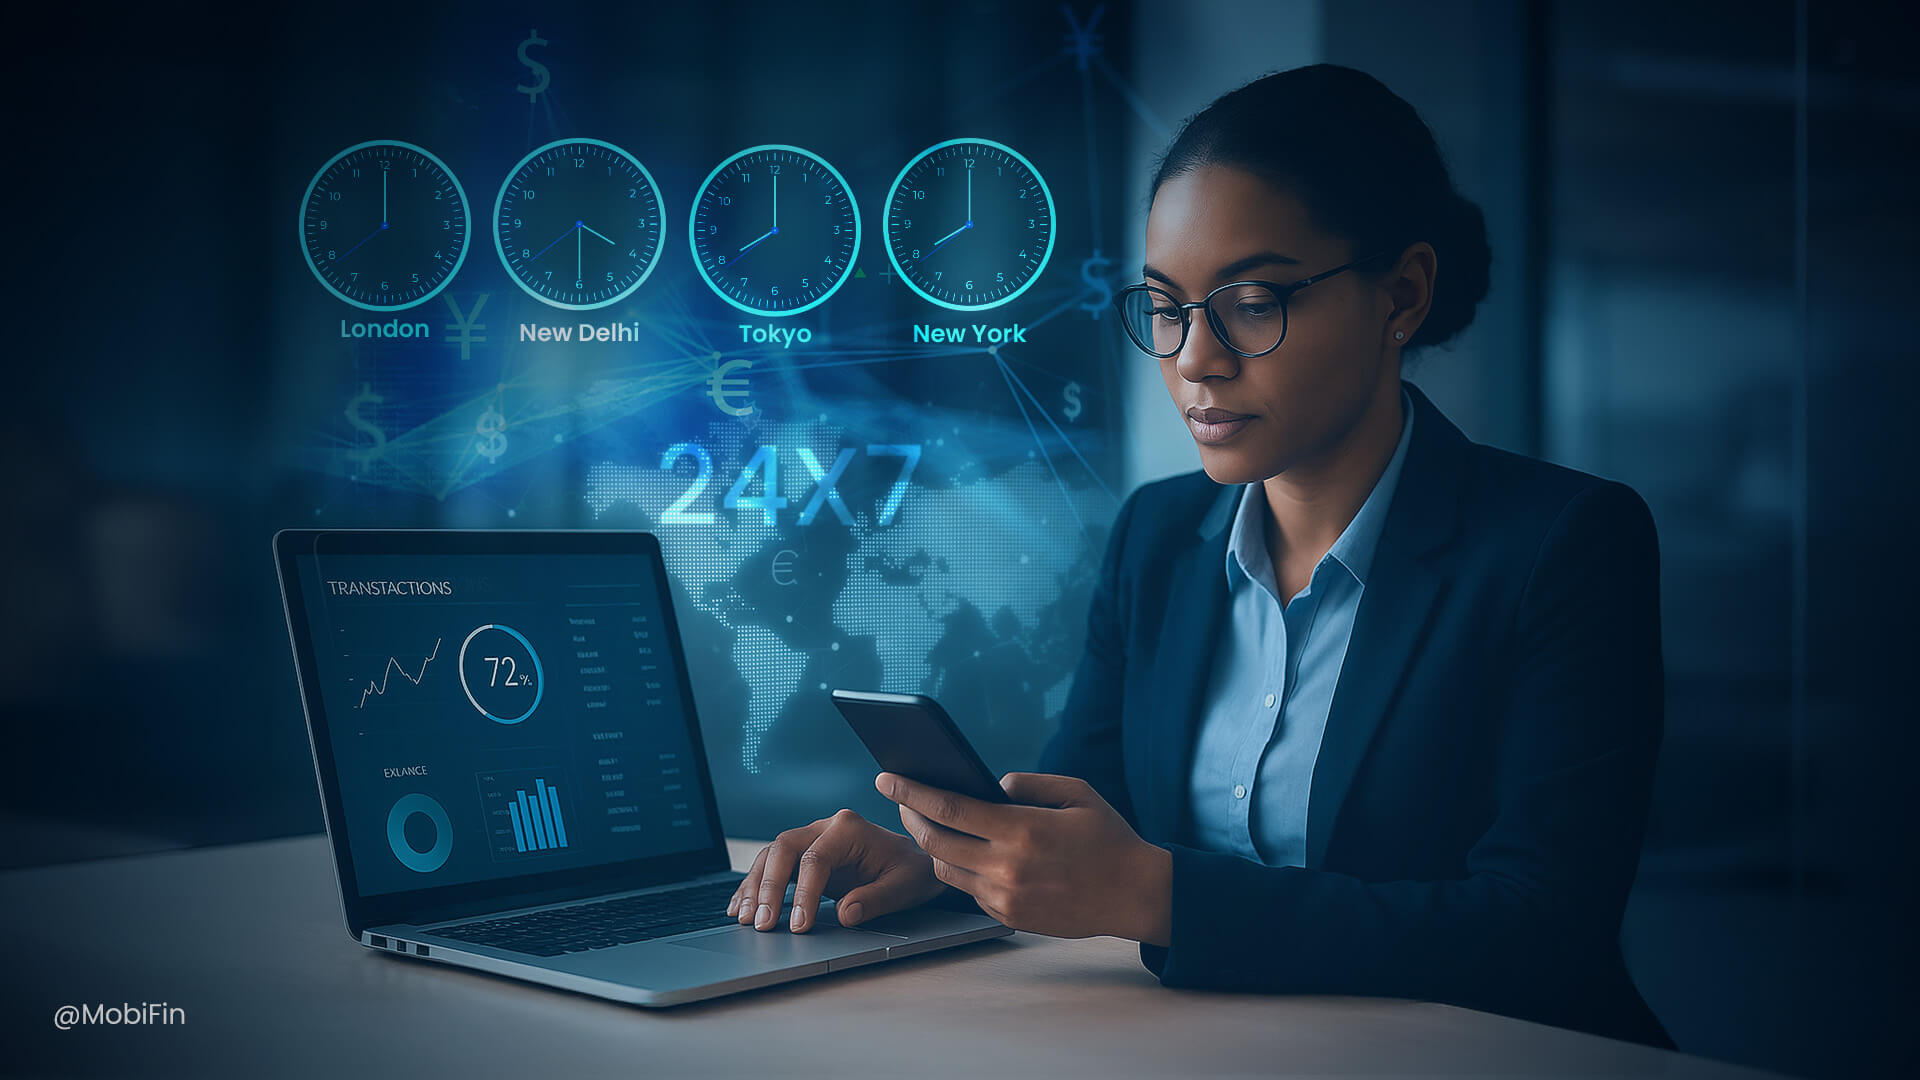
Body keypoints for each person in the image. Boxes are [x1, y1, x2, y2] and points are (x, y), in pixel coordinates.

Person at [725, 63, 1670, 1048]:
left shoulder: (1560, 546)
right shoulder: (1160, 536)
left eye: (1253, 301)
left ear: (1403, 294)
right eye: (1167, 305)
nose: (1193, 359)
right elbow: (1089, 824)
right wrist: (954, 866)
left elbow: (1542, 929)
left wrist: (1168, 900)